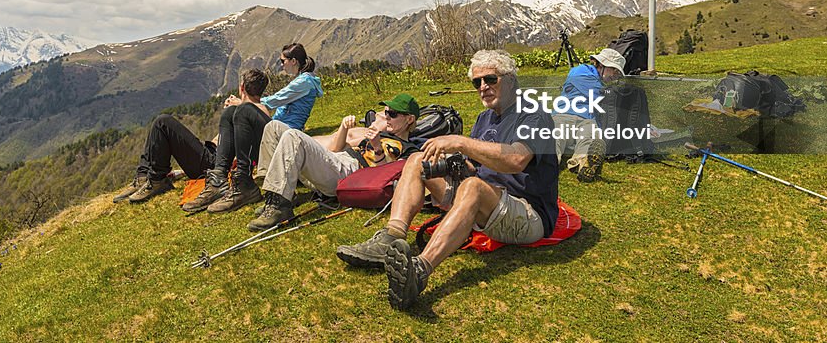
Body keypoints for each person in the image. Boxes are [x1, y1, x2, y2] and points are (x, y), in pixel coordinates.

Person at [336, 50, 558, 311]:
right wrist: (451, 165)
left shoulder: (534, 115)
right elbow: (474, 167)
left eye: (490, 80)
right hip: (484, 202)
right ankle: (391, 237)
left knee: (473, 187)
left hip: (526, 213)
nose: (483, 87)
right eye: (477, 83)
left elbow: (516, 160)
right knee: (417, 159)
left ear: (510, 80)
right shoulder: (484, 118)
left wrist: (461, 143)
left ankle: (419, 270)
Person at [245, 94, 422, 230]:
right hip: (338, 161)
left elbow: (386, 178)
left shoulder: (408, 150)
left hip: (351, 173)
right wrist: (345, 129)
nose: (387, 117)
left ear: (409, 119)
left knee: (293, 136)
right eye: (386, 113)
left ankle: (279, 206)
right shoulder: (381, 134)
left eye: (392, 114)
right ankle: (275, 197)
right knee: (274, 127)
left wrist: (377, 148)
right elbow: (336, 149)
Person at [186, 42, 324, 213]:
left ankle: (244, 183)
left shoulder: (305, 82)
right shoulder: (300, 81)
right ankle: (219, 178)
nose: (281, 64)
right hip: (277, 130)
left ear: (293, 61)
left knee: (243, 109)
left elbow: (275, 100)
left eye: (282, 61)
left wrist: (244, 102)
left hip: (286, 134)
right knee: (230, 114)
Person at [112, 67, 270, 205]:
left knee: (163, 122)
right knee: (160, 126)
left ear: (241, 87)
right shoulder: (245, 111)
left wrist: (240, 105)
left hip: (213, 163)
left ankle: (157, 180)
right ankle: (143, 176)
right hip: (210, 154)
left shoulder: (257, 109)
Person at [552, 47, 626, 182]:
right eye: (614, 70)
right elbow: (598, 94)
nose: (615, 75)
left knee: (590, 138)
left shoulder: (604, 84)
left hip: (588, 120)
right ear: (602, 64)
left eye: (618, 73)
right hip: (565, 114)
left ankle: (584, 164)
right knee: (557, 137)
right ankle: (547, 165)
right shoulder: (580, 71)